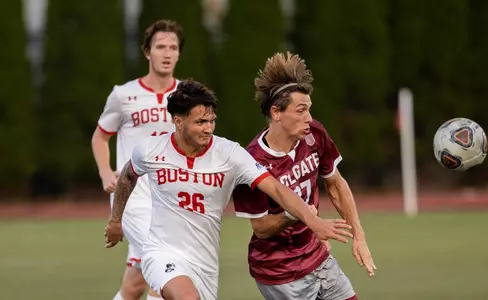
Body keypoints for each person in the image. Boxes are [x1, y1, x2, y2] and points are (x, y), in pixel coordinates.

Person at [104, 79, 354, 300]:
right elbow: (127, 178)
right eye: (200, 122)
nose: (208, 128)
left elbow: (277, 190)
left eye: (211, 121)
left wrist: (313, 221)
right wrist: (116, 221)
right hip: (162, 252)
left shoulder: (230, 154)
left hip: (205, 263)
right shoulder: (150, 150)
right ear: (177, 121)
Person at [232, 52, 377, 300]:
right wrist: (296, 215)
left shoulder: (314, 135)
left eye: (309, 110)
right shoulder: (251, 161)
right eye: (300, 111)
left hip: (317, 257)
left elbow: (336, 184)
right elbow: (261, 228)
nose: (309, 118)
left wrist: (359, 236)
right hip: (279, 272)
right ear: (276, 113)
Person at [92, 19, 183, 300]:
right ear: (147, 52)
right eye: (160, 47)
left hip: (170, 199)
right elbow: (99, 137)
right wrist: (106, 173)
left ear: (179, 53)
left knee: (135, 284)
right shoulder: (124, 95)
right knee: (165, 269)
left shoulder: (186, 95)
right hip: (133, 198)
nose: (167, 53)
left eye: (173, 47)